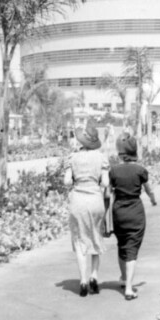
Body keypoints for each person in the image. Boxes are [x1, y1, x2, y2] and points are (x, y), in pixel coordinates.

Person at [63, 123, 109, 297]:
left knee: (80, 240)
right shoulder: (101, 157)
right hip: (96, 201)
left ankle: (82, 280)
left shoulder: (72, 158)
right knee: (95, 237)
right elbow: (105, 183)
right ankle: (94, 276)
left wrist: (75, 178)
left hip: (78, 201)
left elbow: (67, 182)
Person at [109, 132, 156, 300]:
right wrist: (153, 199)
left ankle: (123, 278)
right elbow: (148, 189)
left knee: (122, 245)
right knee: (132, 248)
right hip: (135, 212)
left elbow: (107, 192)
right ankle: (129, 288)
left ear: (120, 153)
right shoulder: (140, 170)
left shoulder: (113, 171)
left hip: (119, 212)